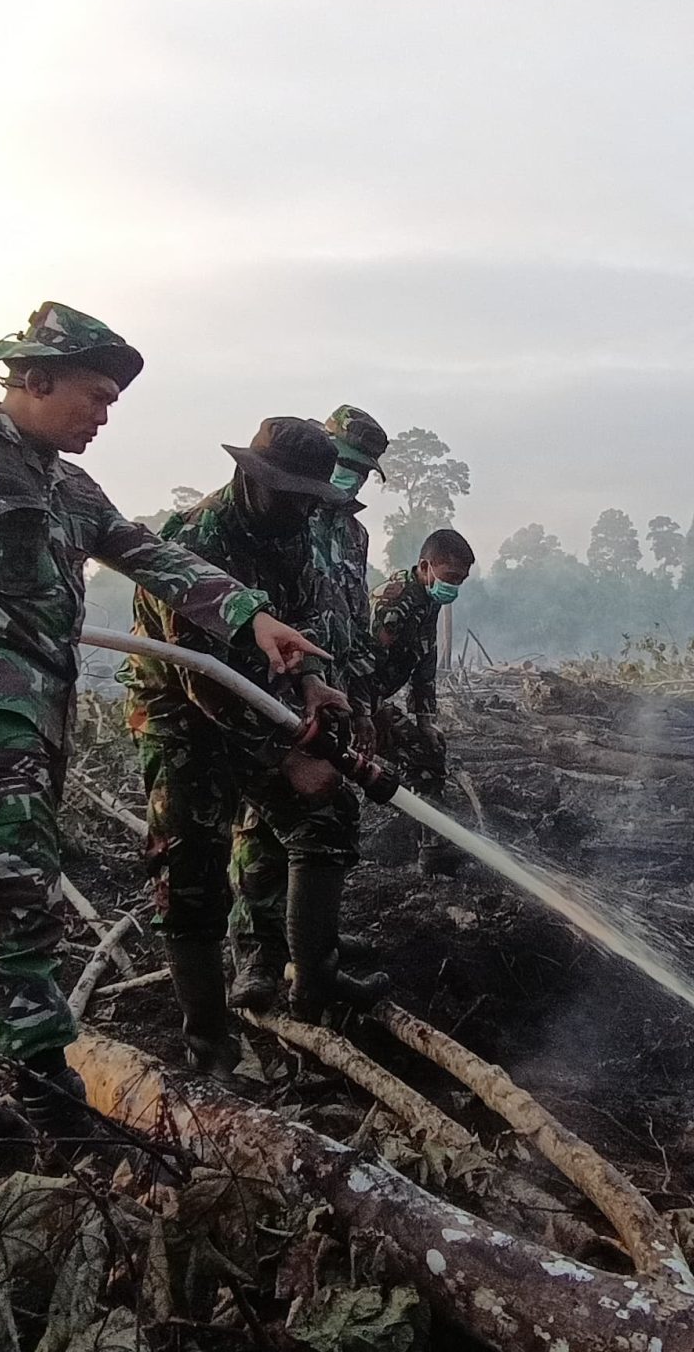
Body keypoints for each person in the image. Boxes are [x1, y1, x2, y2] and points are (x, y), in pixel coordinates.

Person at [0, 302, 321, 1119]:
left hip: (43, 711)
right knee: (17, 894)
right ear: (34, 378)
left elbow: (151, 555)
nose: (105, 415)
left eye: (113, 402)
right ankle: (45, 1101)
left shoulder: (69, 484)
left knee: (3, 880)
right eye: (95, 395)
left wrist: (252, 616)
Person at [129, 418, 379, 1066]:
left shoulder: (294, 532)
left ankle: (316, 983)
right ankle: (208, 1040)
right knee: (189, 870)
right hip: (182, 717)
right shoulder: (193, 543)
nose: (301, 507)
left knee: (329, 812)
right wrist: (286, 754)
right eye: (289, 492)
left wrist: (319, 687)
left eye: (310, 496)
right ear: (250, 477)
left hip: (266, 704)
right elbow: (202, 680)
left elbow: (306, 621)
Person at [224, 406, 389, 1011]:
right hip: (270, 684)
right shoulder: (281, 513)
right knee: (263, 826)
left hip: (327, 680)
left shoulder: (351, 532)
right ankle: (257, 956)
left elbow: (352, 614)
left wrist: (359, 696)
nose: (351, 480)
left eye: (363, 472)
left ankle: (312, 945)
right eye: (345, 463)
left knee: (325, 814)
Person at [366, 528, 476, 867]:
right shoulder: (392, 603)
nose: (454, 587)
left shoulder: (428, 602)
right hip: (350, 697)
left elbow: (424, 665)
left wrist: (426, 719)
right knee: (418, 752)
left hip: (373, 699)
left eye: (462, 580)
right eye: (450, 577)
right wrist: (362, 715)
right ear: (425, 567)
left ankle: (430, 843)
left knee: (429, 746)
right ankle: (427, 843)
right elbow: (359, 664)